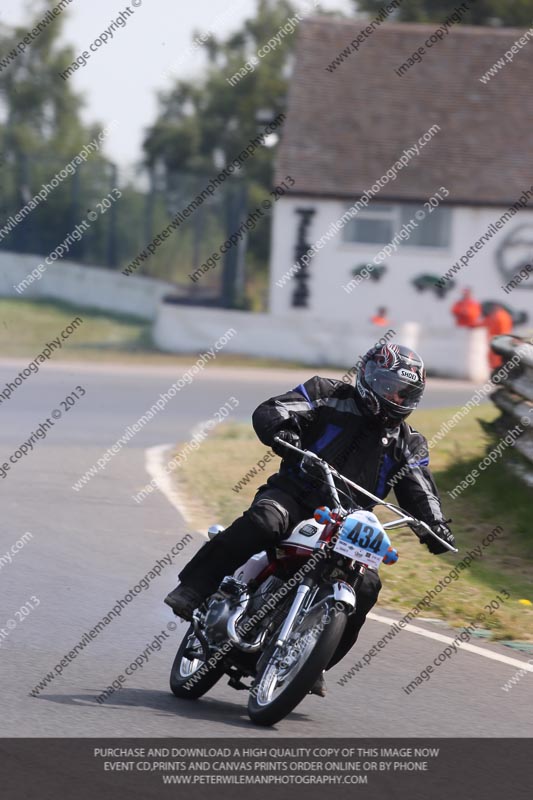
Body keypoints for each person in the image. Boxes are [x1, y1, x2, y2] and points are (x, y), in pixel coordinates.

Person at [165, 343, 455, 696]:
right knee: (264, 523)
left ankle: (311, 661)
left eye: (404, 392)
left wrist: (435, 525)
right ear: (366, 377)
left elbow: (420, 486)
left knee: (367, 587)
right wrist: (282, 429)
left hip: (350, 521)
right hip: (295, 493)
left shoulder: (410, 443)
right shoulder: (326, 393)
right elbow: (275, 408)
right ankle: (194, 589)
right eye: (387, 385)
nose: (394, 396)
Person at [482, 304, 513, 370]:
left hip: (499, 340)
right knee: (494, 357)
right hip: (499, 340)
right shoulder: (499, 315)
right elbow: (485, 323)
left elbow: (503, 330)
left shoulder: (500, 316)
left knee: (496, 358)